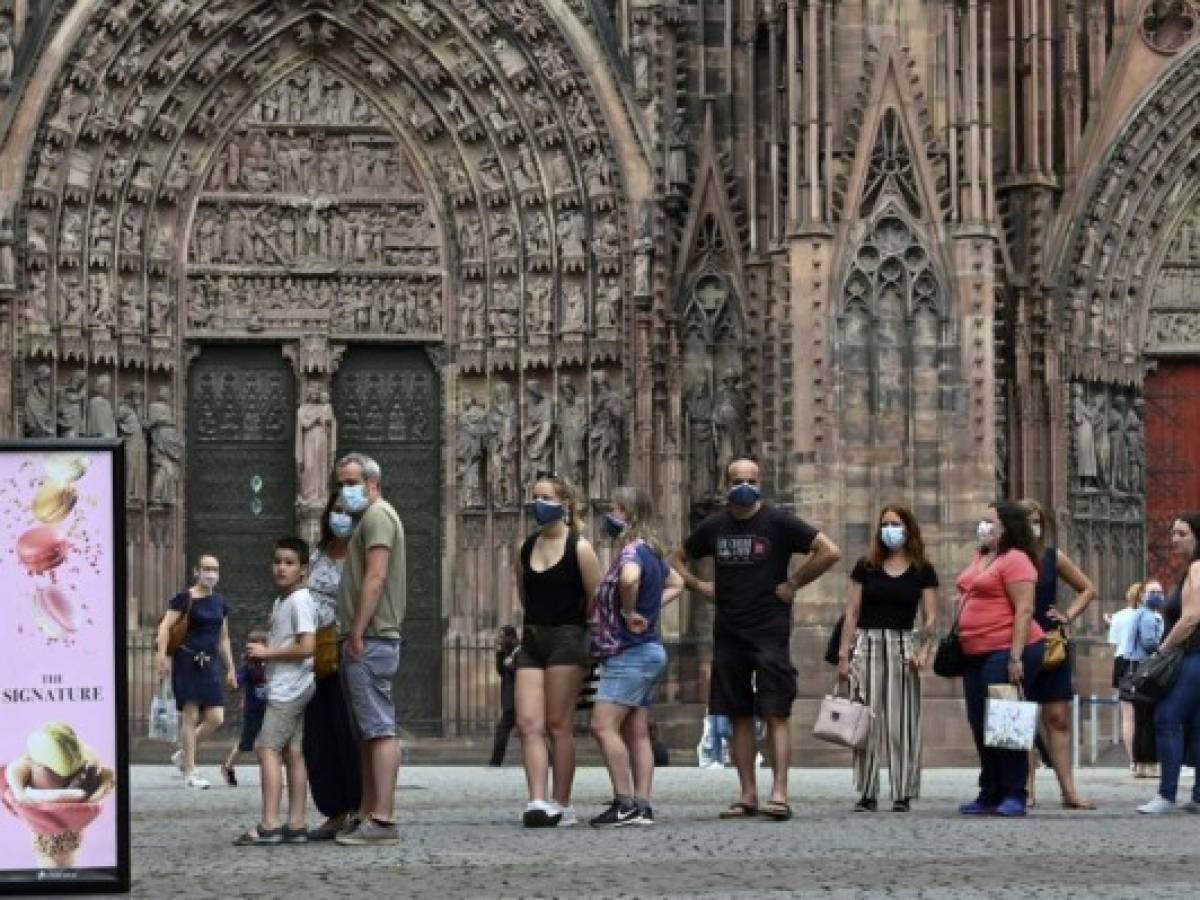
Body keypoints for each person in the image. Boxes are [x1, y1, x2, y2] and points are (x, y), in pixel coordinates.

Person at [669, 457, 842, 821]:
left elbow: (828, 550)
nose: (744, 485)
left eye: (751, 479)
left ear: (760, 482)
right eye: (737, 479)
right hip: (729, 629)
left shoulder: (778, 522)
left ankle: (779, 793)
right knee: (738, 715)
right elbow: (677, 558)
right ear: (726, 484)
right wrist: (700, 586)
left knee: (776, 711)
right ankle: (747, 794)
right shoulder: (715, 526)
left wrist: (794, 583)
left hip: (769, 629)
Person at [587, 485, 684, 826]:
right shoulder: (653, 552)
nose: (609, 516)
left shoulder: (630, 552)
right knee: (637, 731)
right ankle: (642, 804)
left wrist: (630, 611)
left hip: (629, 650)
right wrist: (651, 607)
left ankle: (625, 802)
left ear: (626, 512)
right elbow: (678, 583)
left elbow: (629, 580)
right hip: (650, 650)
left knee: (602, 726)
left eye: (613, 509)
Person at [837, 504, 938, 813]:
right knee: (866, 720)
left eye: (895, 524)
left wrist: (923, 650)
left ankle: (902, 791)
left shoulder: (923, 569)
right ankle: (867, 791)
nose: (889, 530)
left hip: (902, 646)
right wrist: (844, 654)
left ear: (908, 528)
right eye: (885, 524)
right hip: (867, 644)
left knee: (902, 722)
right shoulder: (865, 566)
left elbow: (931, 617)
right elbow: (851, 613)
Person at [513, 473, 601, 828]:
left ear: (564, 503)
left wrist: (585, 636)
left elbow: (595, 598)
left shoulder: (579, 547)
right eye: (535, 497)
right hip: (533, 637)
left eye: (546, 497)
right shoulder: (527, 546)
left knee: (557, 724)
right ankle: (537, 799)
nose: (538, 503)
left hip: (567, 636)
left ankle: (561, 802)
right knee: (527, 723)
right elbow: (522, 591)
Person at [334, 453, 407, 845]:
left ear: (372, 483)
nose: (344, 490)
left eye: (351, 482)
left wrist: (358, 631)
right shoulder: (369, 519)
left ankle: (382, 819)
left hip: (373, 636)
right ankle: (367, 811)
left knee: (379, 729)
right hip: (368, 636)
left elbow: (376, 576)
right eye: (340, 483)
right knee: (369, 731)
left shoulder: (378, 516)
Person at [955, 501, 1045, 818]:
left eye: (989, 521)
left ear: (1006, 527)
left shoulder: (1016, 559)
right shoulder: (982, 555)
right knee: (980, 722)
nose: (983, 526)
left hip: (1007, 648)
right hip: (974, 651)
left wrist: (1015, 657)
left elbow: (1024, 609)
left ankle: (1015, 792)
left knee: (1004, 721)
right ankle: (990, 790)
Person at [234, 537, 318, 845]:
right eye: (278, 561)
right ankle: (296, 823)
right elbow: (288, 643)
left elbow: (307, 647)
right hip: (287, 684)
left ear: (303, 570)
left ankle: (269, 825)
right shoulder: (282, 601)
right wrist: (263, 651)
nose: (282, 568)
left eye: (290, 563)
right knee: (292, 752)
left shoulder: (299, 601)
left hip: (290, 688)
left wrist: (267, 654)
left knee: (266, 748)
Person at [1020, 499, 1098, 810]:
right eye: (1027, 520)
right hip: (1019, 644)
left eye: (1037, 519)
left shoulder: (1052, 557)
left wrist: (1068, 615)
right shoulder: (1006, 558)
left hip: (1051, 643)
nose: (1032, 525)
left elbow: (1088, 589)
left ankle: (1069, 791)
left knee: (1057, 718)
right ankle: (1025, 789)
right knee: (1022, 720)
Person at [302, 491, 363, 840]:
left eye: (346, 512)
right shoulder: (316, 555)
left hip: (347, 650)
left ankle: (358, 806)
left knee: (348, 732)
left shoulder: (362, 555)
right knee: (318, 735)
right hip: (314, 652)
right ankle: (333, 810)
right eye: (335, 511)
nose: (339, 516)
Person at [156, 554, 237, 789]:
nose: (211, 573)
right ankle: (190, 771)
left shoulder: (220, 602)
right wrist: (162, 656)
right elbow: (165, 627)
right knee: (190, 717)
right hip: (187, 661)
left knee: (216, 717)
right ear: (197, 571)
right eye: (206, 569)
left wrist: (230, 667)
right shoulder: (184, 598)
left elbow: (223, 638)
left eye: (215, 569)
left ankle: (183, 754)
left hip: (209, 663)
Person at [1138, 513, 1200, 814]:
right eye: (1173, 532)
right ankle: (1199, 796)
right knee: (1197, 725)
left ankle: (1166, 794)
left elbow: (1190, 618)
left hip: (1194, 654)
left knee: (1166, 717)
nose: (1174, 539)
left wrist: (1162, 650)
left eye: (1182, 533)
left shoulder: (1198, 569)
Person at [1122, 582, 1164, 778]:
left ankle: (1139, 764)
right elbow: (1149, 644)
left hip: (1135, 668)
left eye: (1160, 592)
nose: (1157, 595)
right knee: (1148, 719)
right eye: (1153, 592)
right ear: (1143, 595)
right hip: (1146, 669)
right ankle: (1150, 764)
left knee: (1140, 719)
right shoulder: (1147, 616)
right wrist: (1165, 646)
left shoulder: (1138, 614)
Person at [220, 629, 269, 787]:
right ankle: (227, 766)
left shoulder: (273, 663)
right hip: (253, 710)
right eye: (251, 647)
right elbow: (237, 682)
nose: (253, 650)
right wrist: (232, 682)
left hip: (270, 708)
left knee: (270, 743)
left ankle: (270, 774)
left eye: (257, 646)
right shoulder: (248, 666)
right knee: (246, 742)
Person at [1107, 580, 1144, 770]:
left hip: (1122, 662)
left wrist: (1112, 623)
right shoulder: (1153, 616)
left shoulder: (1119, 616)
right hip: (1145, 663)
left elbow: (1114, 643)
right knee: (1144, 714)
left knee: (1127, 715)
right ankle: (1147, 758)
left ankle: (1132, 761)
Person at [489, 626, 520, 767]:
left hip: (516, 700)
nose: (500, 640)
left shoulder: (519, 652)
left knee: (502, 730)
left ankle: (495, 762)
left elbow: (522, 674)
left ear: (511, 637)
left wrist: (510, 665)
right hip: (510, 700)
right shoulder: (509, 653)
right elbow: (502, 672)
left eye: (503, 637)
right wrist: (500, 654)